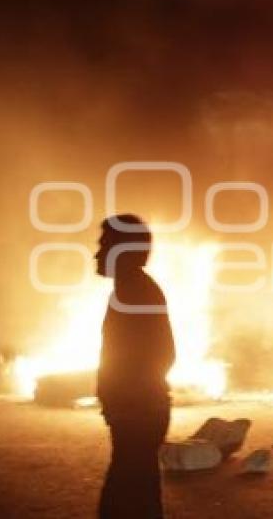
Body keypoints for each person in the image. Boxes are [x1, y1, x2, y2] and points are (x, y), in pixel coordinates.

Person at [95, 214, 175, 519]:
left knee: (125, 502)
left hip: (139, 414)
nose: (97, 252)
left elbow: (163, 353)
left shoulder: (137, 292)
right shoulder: (131, 290)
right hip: (139, 413)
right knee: (136, 497)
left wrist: (127, 399)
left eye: (104, 244)